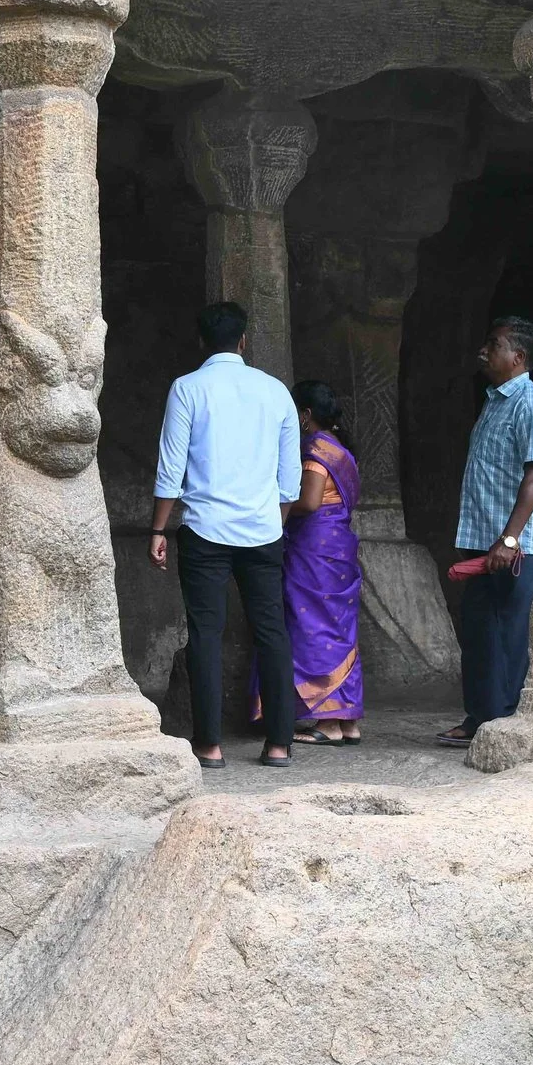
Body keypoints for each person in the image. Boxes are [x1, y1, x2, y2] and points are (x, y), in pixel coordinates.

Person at [151, 301, 304, 768]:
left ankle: (210, 745)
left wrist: (158, 527)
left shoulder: (187, 388)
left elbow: (171, 467)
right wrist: (273, 521)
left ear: (201, 342)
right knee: (272, 633)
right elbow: (291, 475)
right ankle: (279, 744)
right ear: (243, 341)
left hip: (205, 531)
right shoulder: (275, 391)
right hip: (262, 531)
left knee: (205, 635)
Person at [440, 316, 533, 747]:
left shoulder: (529, 402)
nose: (484, 351)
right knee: (480, 629)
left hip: (516, 544)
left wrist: (509, 538)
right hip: (486, 538)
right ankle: (480, 718)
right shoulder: (496, 400)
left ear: (518, 357)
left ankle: (503, 723)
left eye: (495, 344)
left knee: (509, 633)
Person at [269, 379, 365, 746]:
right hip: (338, 546)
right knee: (339, 628)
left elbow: (308, 502)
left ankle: (327, 722)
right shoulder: (342, 449)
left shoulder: (315, 451)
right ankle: (348, 719)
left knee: (312, 626)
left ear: (305, 415)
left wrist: (273, 510)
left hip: (314, 546)